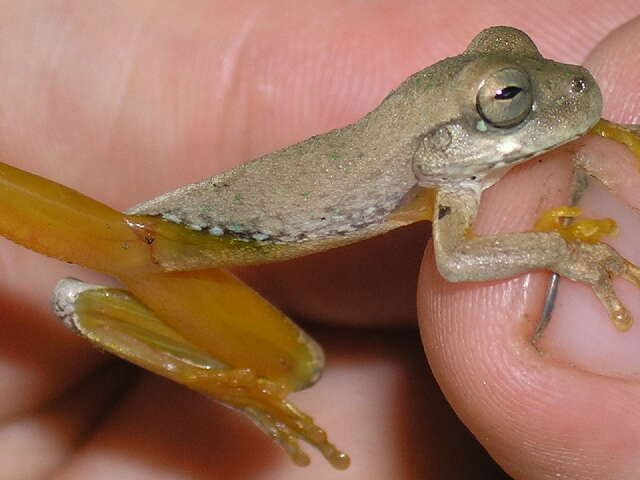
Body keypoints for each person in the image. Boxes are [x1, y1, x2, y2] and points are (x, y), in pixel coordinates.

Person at [1, 2, 639, 478]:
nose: (570, 83)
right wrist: (559, 250)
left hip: (159, 236)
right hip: (174, 248)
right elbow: (461, 258)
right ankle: (95, 310)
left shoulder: (446, 179)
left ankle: (94, 304)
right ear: (445, 135)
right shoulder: (450, 187)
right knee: (295, 367)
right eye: (507, 98)